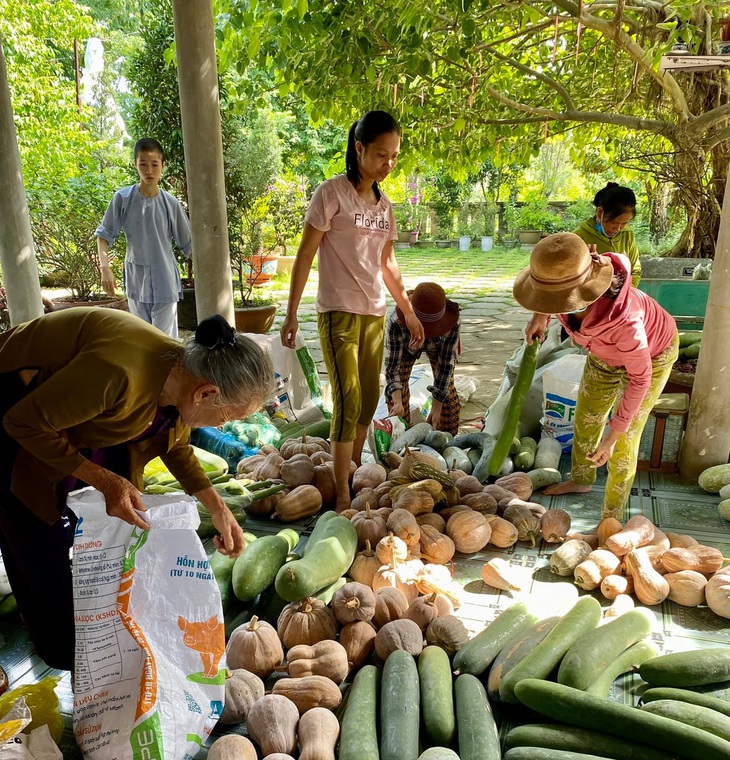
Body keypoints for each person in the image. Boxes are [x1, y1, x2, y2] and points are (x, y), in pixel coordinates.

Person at [0, 307, 274, 672]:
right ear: (206, 393)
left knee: (114, 527)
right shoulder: (119, 373)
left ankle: (100, 636)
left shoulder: (183, 377)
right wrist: (103, 479)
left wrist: (217, 506)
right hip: (15, 411)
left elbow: (174, 444)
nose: (223, 424)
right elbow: (22, 422)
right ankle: (71, 661)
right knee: (39, 536)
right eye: (226, 418)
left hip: (64, 418)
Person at [280, 110, 424, 512]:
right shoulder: (331, 194)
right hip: (337, 313)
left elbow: (387, 263)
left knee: (368, 398)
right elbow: (305, 255)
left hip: (373, 315)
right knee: (347, 398)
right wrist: (291, 314)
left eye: (394, 156)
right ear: (359, 148)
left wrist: (408, 310)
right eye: (381, 154)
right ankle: (342, 492)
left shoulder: (385, 206)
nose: (389, 163)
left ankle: (353, 468)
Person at [514, 233, 678, 521]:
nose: (552, 304)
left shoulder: (627, 322)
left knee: (624, 442)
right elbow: (552, 293)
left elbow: (640, 379)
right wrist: (540, 316)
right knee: (587, 418)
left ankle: (610, 519)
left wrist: (613, 434)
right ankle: (581, 479)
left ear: (587, 290)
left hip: (651, 356)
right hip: (604, 354)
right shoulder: (567, 284)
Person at [95, 137, 192, 339]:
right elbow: (103, 235)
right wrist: (105, 269)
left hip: (164, 279)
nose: (149, 171)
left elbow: (189, 244)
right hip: (136, 279)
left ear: (163, 166)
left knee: (165, 342)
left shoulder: (170, 204)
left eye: (154, 165)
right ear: (135, 165)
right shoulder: (123, 199)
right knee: (141, 339)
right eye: (143, 164)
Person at [385, 281, 461, 434]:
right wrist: (398, 401)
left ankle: (446, 438)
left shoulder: (452, 324)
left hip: (438, 348)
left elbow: (446, 366)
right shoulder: (396, 322)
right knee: (396, 400)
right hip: (406, 350)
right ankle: (402, 439)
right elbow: (392, 368)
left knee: (448, 399)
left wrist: (436, 407)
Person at [573, 182, 641, 286]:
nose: (618, 229)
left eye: (624, 223)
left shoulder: (628, 235)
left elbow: (635, 270)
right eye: (613, 222)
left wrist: (627, 291)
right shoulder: (578, 237)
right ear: (600, 213)